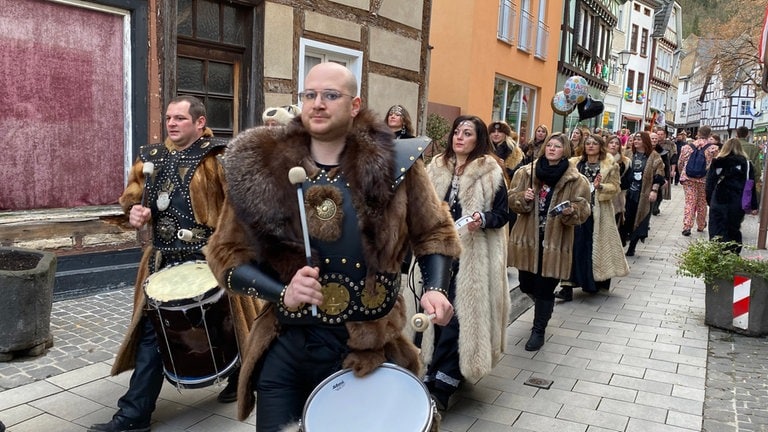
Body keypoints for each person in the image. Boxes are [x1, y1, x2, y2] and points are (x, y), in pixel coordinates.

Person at [204, 62, 461, 431]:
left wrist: (435, 290)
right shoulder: (259, 165)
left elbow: (434, 231)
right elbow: (225, 254)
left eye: (330, 95)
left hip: (368, 346)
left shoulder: (397, 163)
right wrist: (282, 292)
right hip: (289, 343)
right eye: (309, 95)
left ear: (354, 105)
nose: (317, 103)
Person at [88, 96, 261, 432]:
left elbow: (242, 209)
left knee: (232, 325)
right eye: (168, 118)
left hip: (210, 259)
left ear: (199, 122)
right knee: (154, 334)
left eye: (180, 118)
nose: (171, 124)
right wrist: (134, 213)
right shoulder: (151, 158)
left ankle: (241, 375)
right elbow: (133, 200)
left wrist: (230, 250)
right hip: (163, 262)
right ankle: (133, 415)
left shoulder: (219, 157)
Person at [420, 115, 510, 410]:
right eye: (456, 131)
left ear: (478, 139)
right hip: (438, 254)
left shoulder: (491, 171)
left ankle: (443, 384)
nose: (459, 137)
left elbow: (501, 215)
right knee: (435, 315)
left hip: (473, 259)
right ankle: (428, 370)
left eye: (467, 133)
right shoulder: (436, 166)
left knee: (458, 320)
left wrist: (480, 219)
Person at [508, 132, 591, 351]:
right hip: (528, 239)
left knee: (545, 288)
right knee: (526, 284)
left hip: (556, 241)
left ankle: (539, 329)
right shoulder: (527, 172)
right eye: (549, 145)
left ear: (565, 150)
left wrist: (571, 210)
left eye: (557, 146)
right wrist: (521, 199)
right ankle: (545, 306)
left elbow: (584, 209)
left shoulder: (576, 179)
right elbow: (511, 199)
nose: (552, 149)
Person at [556, 134, 628, 301]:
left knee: (592, 247)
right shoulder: (574, 163)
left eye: (594, 143)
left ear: (600, 146)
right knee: (573, 246)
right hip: (576, 210)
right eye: (588, 143)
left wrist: (600, 186)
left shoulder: (610, 165)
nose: (590, 146)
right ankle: (567, 286)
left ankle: (592, 281)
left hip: (598, 212)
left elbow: (616, 187)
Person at [706, 138, 759, 254]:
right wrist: (752, 205)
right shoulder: (746, 164)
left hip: (719, 200)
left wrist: (710, 201)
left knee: (716, 228)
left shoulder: (717, 162)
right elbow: (750, 185)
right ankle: (733, 254)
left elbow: (710, 183)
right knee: (733, 228)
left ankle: (716, 253)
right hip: (737, 201)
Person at [619, 131, 666, 256]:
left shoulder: (654, 156)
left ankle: (632, 247)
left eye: (639, 139)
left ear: (645, 141)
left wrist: (654, 190)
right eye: (635, 139)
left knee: (639, 219)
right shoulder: (628, 153)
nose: (636, 141)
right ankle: (622, 241)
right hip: (628, 193)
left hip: (643, 194)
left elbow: (659, 174)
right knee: (624, 219)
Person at [678, 125, 719, 236]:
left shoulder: (687, 147)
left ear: (698, 133)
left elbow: (681, 163)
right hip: (704, 179)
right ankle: (701, 225)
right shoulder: (713, 149)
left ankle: (687, 226)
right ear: (710, 134)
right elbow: (717, 165)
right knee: (702, 202)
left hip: (688, 178)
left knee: (690, 201)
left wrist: (682, 172)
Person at [607, 135, 631, 226]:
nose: (613, 145)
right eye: (611, 143)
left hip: (617, 196)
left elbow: (627, 182)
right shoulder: (600, 159)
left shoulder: (625, 162)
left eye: (616, 143)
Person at [737, 125, 762, 199]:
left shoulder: (731, 146)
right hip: (748, 179)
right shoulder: (753, 148)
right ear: (747, 134)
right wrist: (756, 179)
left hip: (733, 180)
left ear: (737, 134)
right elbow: (757, 168)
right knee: (746, 202)